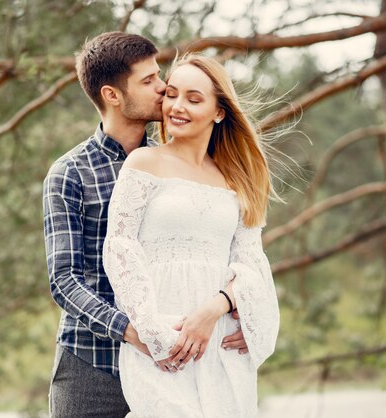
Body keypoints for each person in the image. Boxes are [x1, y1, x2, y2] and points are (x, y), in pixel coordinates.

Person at [43, 32, 248, 417]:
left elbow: (216, 252)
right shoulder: (70, 173)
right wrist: (131, 330)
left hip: (173, 363)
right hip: (93, 365)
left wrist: (233, 314)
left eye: (160, 75)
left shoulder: (179, 167)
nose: (164, 87)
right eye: (149, 81)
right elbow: (64, 280)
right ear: (112, 95)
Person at [103, 53, 281, 417]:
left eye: (194, 99)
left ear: (219, 111)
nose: (177, 107)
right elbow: (120, 249)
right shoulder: (142, 163)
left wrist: (219, 309)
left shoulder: (238, 179)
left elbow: (250, 264)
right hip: (164, 338)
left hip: (220, 343)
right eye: (171, 94)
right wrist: (154, 332)